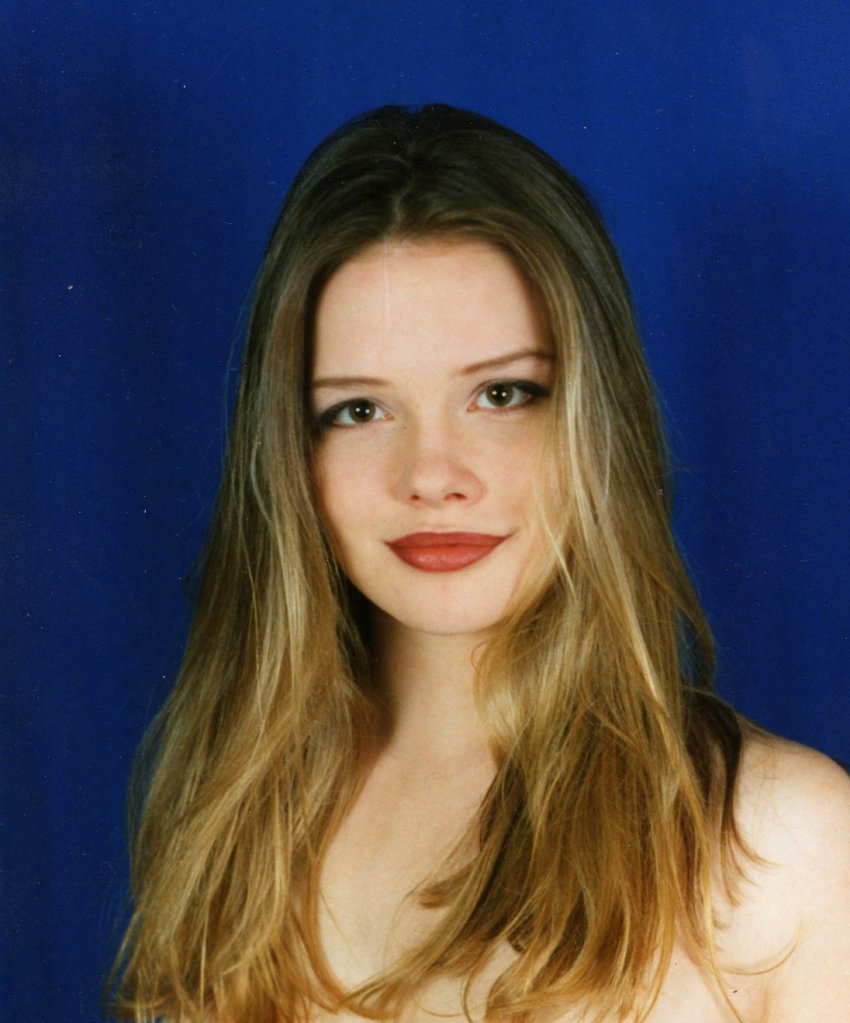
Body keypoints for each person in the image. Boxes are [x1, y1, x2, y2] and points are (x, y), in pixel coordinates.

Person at [108, 105, 850, 1023]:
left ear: (596, 421)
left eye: (502, 393)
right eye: (358, 410)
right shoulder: (228, 819)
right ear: (290, 452)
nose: (431, 475)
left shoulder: (785, 841)